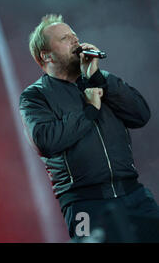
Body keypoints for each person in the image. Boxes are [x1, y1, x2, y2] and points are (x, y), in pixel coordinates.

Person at [19, 14, 159, 242]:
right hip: (86, 205)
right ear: (47, 56)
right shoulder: (35, 96)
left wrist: (97, 78)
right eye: (65, 39)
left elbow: (141, 115)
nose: (76, 42)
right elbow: (46, 140)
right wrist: (89, 110)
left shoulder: (99, 79)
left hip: (134, 194)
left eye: (75, 37)